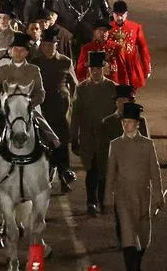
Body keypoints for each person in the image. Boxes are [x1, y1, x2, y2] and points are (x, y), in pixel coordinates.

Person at [105, 102, 164, 271]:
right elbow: (110, 173)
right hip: (123, 198)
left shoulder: (147, 144)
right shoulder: (115, 145)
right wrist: (108, 198)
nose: (126, 125)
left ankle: (136, 263)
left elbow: (154, 171)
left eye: (129, 122)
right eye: (124, 122)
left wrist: (159, 195)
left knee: (144, 238)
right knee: (127, 237)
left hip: (143, 197)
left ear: (137, 124)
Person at [70, 51, 117, 216]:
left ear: (104, 68)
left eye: (98, 68)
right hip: (88, 136)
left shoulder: (113, 88)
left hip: (106, 138)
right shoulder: (81, 88)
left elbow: (118, 114)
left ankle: (102, 200)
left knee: (104, 170)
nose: (95, 72)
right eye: (92, 69)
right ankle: (91, 202)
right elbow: (75, 114)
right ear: (89, 69)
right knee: (91, 170)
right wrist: (73, 137)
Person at [34, 27, 77, 191]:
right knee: (45, 145)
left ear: (56, 45)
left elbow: (75, 85)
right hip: (42, 110)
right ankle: (45, 177)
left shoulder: (65, 62)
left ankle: (65, 175)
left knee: (62, 144)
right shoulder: (35, 63)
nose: (47, 48)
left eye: (51, 45)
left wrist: (73, 105)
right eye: (45, 45)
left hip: (61, 110)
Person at [109, 1, 151, 90]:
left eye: (122, 15)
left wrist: (146, 67)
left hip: (131, 67)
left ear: (126, 14)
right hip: (114, 68)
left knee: (130, 94)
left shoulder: (135, 27)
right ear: (113, 14)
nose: (119, 18)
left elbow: (143, 48)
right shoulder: (107, 28)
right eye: (117, 15)